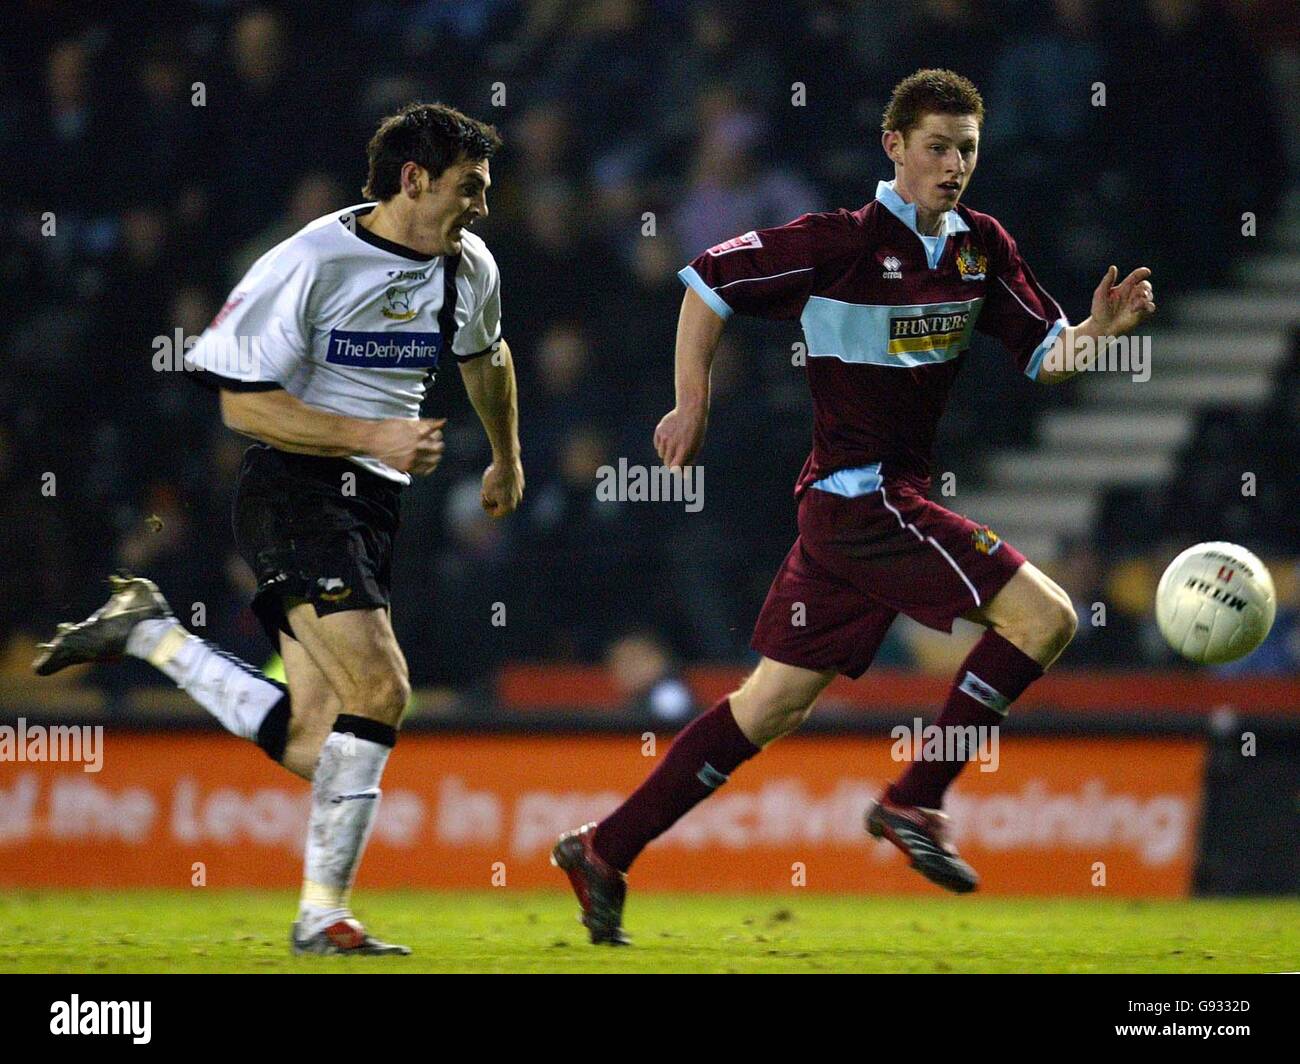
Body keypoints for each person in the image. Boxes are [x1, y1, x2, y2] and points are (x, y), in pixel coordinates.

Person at [552, 69, 1155, 945]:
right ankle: (914, 802)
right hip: (862, 499)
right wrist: (694, 402)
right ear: (895, 147)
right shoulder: (836, 242)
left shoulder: (981, 245)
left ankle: (606, 847)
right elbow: (706, 284)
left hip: (861, 513)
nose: (955, 165)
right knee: (1047, 617)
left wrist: (1099, 333)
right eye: (939, 147)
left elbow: (1045, 355)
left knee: (769, 708)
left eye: (968, 149)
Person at [34, 102, 524, 956]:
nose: (481, 206)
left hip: (373, 506)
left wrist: (506, 459)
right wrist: (376, 435)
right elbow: (239, 401)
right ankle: (320, 917)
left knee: (314, 741)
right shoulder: (310, 261)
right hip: (293, 490)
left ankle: (153, 636)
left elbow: (489, 356)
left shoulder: (466, 264)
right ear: (414, 180)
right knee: (384, 691)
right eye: (469, 188)